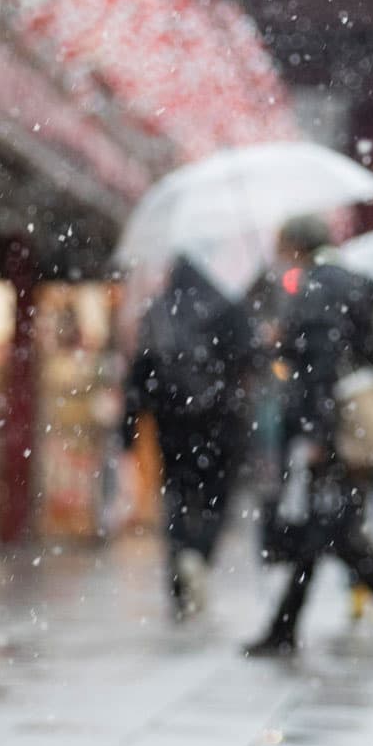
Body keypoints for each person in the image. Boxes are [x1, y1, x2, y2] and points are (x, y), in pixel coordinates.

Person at [243, 217, 373, 661]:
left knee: (332, 529)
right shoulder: (354, 286)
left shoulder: (316, 290)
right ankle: (286, 627)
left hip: (329, 431)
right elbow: (357, 351)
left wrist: (315, 432)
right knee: (329, 526)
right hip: (352, 427)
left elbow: (320, 364)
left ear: (296, 246)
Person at [121, 256, 255, 620]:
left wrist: (129, 428)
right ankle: (200, 552)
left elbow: (139, 373)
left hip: (173, 423)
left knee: (178, 495)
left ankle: (179, 582)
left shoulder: (160, 311)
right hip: (223, 422)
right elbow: (250, 359)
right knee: (216, 497)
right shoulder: (229, 306)